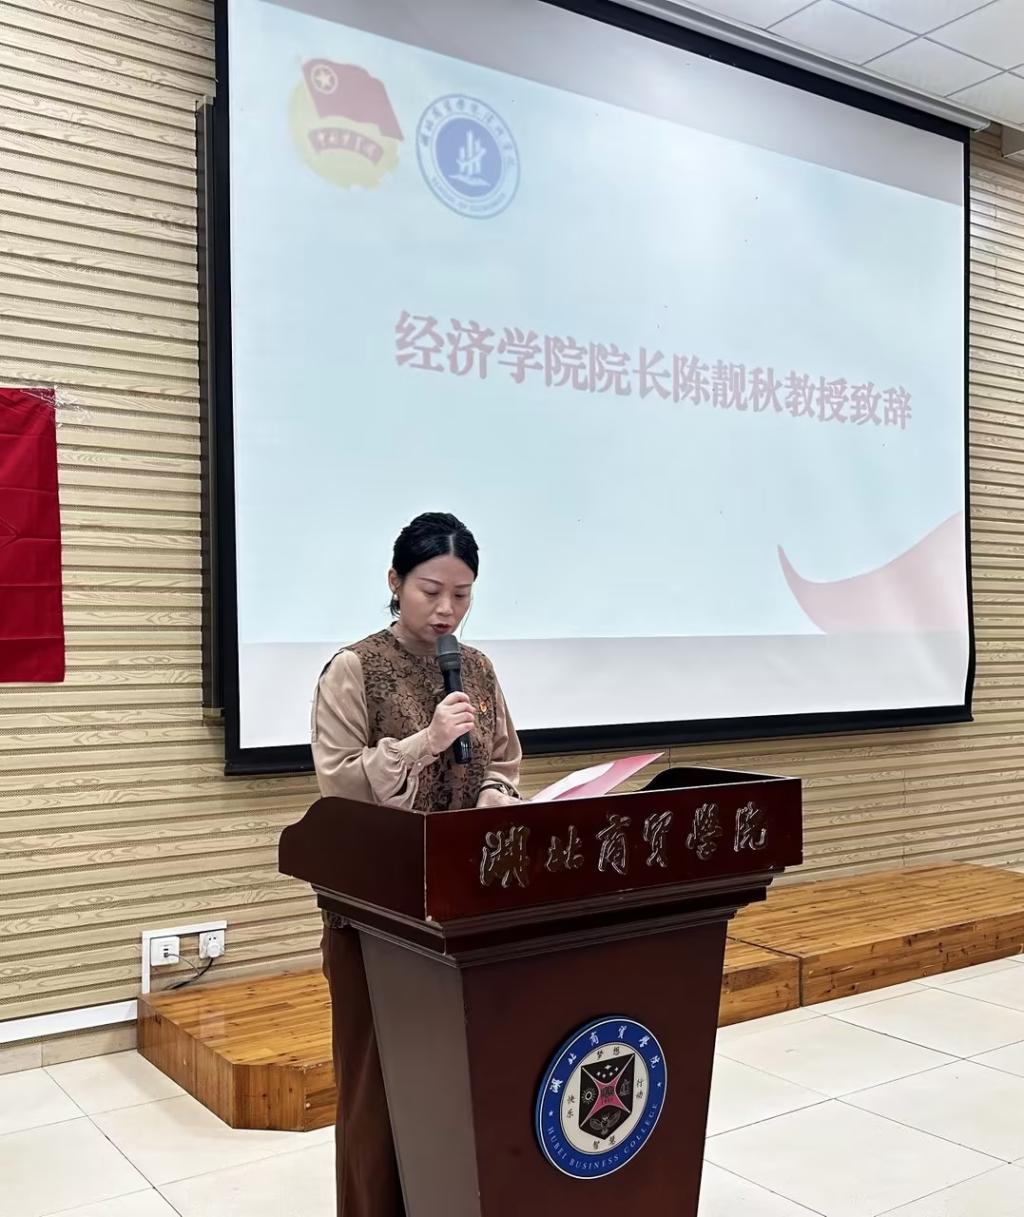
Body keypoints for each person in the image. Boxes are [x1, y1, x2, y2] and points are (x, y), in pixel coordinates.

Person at [310, 511, 522, 1217]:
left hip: (465, 903)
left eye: (462, 594)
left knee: (461, 1079)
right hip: (378, 910)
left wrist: (492, 796)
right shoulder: (354, 669)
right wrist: (424, 742)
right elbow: (339, 784)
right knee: (375, 1089)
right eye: (431, 591)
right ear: (395, 581)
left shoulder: (477, 668)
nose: (446, 609)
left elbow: (504, 761)